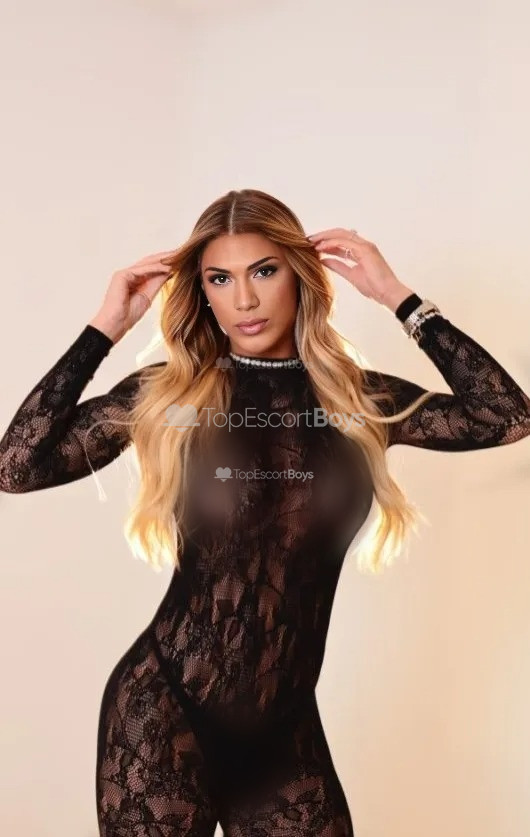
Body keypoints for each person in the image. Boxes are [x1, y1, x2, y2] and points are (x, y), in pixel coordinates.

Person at [1, 189, 528, 837]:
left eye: (264, 271)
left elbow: (505, 417)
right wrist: (106, 327)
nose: (244, 299)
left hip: (284, 732)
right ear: (202, 292)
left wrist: (398, 297)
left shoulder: (357, 400)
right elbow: (16, 467)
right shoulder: (170, 394)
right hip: (167, 714)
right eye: (220, 279)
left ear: (299, 275)